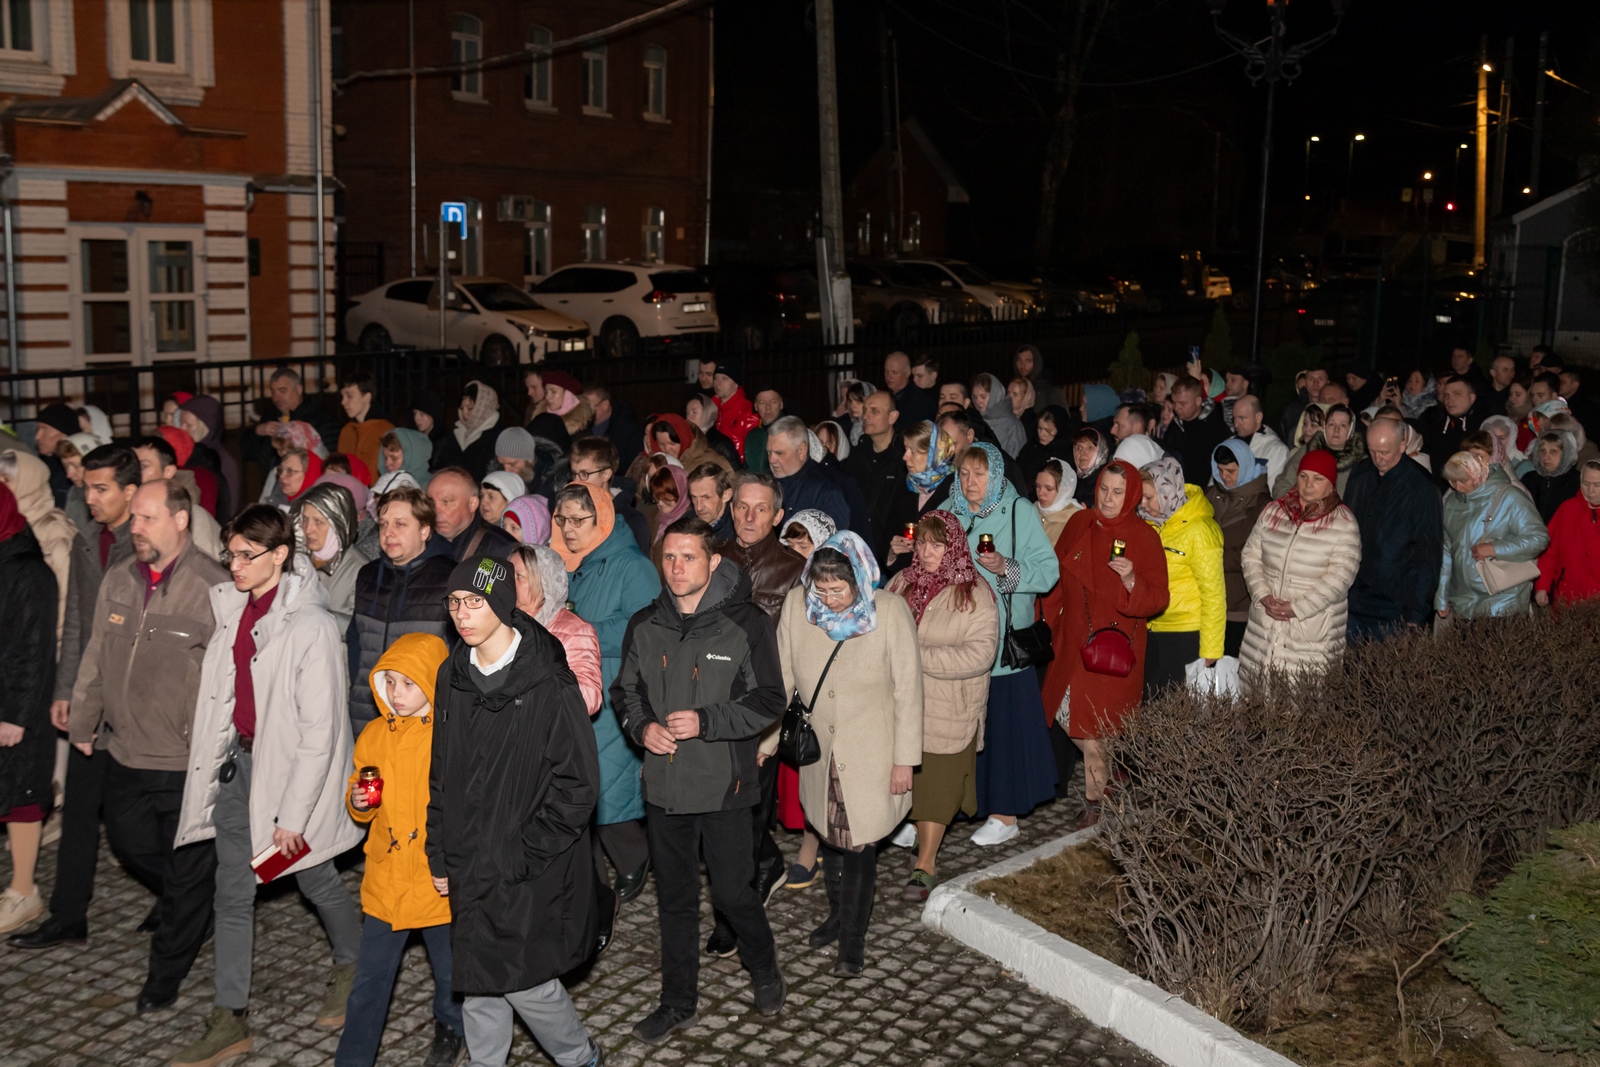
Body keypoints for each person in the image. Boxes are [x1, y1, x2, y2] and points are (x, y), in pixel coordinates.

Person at [170, 507, 364, 1065]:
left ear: (280, 555)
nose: (234, 565)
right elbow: (224, 700)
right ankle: (229, 1016)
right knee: (232, 892)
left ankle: (354, 962)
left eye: (245, 555)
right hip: (240, 771)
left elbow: (320, 732)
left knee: (312, 875)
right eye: (230, 554)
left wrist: (293, 816)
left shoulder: (311, 627)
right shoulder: (233, 610)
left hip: (288, 779)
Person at [427, 555, 606, 1067]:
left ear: (503, 603)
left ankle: (579, 1058)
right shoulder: (452, 675)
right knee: (478, 979)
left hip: (525, 864)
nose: (462, 614)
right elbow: (441, 770)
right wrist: (439, 848)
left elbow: (579, 784)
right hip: (468, 855)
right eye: (455, 602)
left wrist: (526, 852)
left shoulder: (548, 681)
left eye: (475, 601)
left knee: (526, 982)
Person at [615, 517, 789, 1037]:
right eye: (669, 557)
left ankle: (764, 967)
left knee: (733, 894)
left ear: (713, 562)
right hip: (665, 787)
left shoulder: (746, 623)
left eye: (688, 557)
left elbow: (770, 700)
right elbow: (627, 692)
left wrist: (708, 721)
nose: (676, 568)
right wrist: (642, 728)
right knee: (675, 899)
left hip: (724, 786)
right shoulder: (645, 623)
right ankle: (677, 1002)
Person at [67, 481, 229, 1010]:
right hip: (126, 749)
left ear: (180, 520)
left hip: (186, 759)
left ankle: (164, 977)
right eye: (133, 517)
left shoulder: (214, 587)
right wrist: (84, 722)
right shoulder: (119, 578)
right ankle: (195, 901)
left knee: (187, 866)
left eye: (146, 518)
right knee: (131, 845)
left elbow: (231, 678)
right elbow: (96, 654)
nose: (134, 528)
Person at [9, 446, 140, 951]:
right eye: (87, 488)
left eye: (101, 488)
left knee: (135, 825)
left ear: (130, 491)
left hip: (136, 707)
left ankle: (186, 896)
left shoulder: (144, 543)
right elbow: (78, 624)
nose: (90, 497)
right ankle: (68, 916)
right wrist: (66, 691)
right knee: (81, 810)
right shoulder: (88, 540)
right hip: (91, 700)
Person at [772, 531, 921, 972]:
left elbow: (909, 691)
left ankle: (852, 943)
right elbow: (782, 679)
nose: (831, 600)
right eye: (822, 590)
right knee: (831, 839)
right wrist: (765, 741)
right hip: (821, 753)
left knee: (859, 845)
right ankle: (837, 917)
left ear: (860, 578)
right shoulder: (797, 607)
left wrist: (905, 761)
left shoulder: (889, 612)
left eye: (839, 590)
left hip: (873, 753)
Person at [333, 633, 462, 1067]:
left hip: (436, 880)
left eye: (408, 683)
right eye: (389, 682)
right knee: (369, 981)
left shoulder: (451, 737)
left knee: (451, 973)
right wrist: (359, 801)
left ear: (431, 683)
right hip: (386, 881)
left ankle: (452, 1027)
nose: (397, 694)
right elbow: (363, 792)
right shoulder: (373, 735)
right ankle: (353, 1058)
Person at [1040, 460, 1170, 830]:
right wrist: (1044, 621)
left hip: (1112, 650)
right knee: (1066, 717)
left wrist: (1131, 581)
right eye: (1103, 489)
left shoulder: (1144, 537)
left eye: (1117, 492)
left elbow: (1159, 597)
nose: (1108, 498)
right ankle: (1114, 769)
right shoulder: (1080, 523)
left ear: (1131, 497)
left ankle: (1096, 805)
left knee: (1095, 730)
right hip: (1071, 642)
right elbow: (1057, 575)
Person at [551, 482, 660, 904]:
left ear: (602, 519)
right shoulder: (562, 562)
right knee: (577, 785)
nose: (569, 528)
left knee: (607, 786)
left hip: (615, 686)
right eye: (562, 519)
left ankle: (634, 857)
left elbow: (646, 626)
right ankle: (590, 884)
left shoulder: (632, 566)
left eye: (579, 520)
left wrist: (580, 632)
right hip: (573, 684)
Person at [948, 442, 1060, 846]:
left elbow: (1048, 571)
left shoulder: (1018, 511)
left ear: (996, 476)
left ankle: (1005, 814)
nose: (970, 482)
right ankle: (951, 805)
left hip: (1001, 644)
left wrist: (1005, 568)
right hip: (957, 640)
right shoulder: (950, 511)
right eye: (964, 474)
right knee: (956, 727)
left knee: (1003, 729)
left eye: (979, 475)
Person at [885, 512, 997, 899]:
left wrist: (916, 656)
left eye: (937, 545)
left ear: (953, 547)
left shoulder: (974, 593)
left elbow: (980, 655)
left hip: (948, 706)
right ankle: (920, 837)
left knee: (936, 786)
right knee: (910, 782)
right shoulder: (902, 583)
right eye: (922, 544)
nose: (927, 552)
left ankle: (926, 864)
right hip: (901, 704)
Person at [1238, 451, 1362, 687]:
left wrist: (1297, 608)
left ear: (1331, 484)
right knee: (1255, 697)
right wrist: (1262, 594)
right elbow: (1251, 554)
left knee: (1301, 701)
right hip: (1264, 627)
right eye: (1303, 476)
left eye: (1318, 478)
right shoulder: (1273, 512)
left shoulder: (1343, 523)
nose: (1308, 484)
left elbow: (1340, 577)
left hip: (1311, 633)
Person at [0, 483, 59, 935]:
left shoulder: (27, 571)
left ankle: (24, 891)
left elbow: (34, 649)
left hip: (16, 704)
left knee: (20, 795)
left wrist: (16, 715)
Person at [347, 487, 456, 729]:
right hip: (368, 714)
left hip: (424, 720)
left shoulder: (450, 579)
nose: (388, 533)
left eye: (400, 524)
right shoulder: (367, 575)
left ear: (424, 530)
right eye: (384, 524)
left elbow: (458, 656)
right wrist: (359, 690)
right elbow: (356, 641)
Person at [1342, 420, 1444, 641]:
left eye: (1384, 452)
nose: (1378, 459)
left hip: (1394, 611)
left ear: (1403, 445)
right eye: (1372, 451)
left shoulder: (1422, 487)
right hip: (1353, 602)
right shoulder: (1361, 473)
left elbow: (1427, 555)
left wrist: (1415, 615)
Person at [1138, 455, 1225, 695]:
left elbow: (1214, 595)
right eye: (1140, 497)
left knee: (1179, 707)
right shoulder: (1148, 526)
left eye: (1149, 497)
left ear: (1166, 492)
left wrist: (1211, 649)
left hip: (1186, 635)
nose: (1143, 504)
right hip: (1151, 631)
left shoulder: (1200, 529)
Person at [1437, 451, 1549, 620]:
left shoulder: (1510, 496)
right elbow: (1446, 550)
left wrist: (1494, 549)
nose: (1458, 487)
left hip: (1504, 602)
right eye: (1452, 481)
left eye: (1463, 481)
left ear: (1477, 475)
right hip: (1464, 604)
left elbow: (1539, 538)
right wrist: (1442, 595)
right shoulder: (1452, 502)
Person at [1205, 441, 1271, 657]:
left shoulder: (1261, 504)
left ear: (1245, 466)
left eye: (1231, 471)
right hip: (1209, 600)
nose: (1224, 477)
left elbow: (1254, 552)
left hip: (1240, 603)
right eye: (1220, 470)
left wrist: (1211, 557)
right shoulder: (1210, 496)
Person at [291, 482, 376, 632]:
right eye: (305, 519)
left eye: (319, 522)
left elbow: (362, 627)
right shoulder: (295, 561)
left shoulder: (362, 570)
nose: (308, 529)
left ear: (338, 525)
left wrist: (314, 615)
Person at [843, 390, 911, 567]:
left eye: (875, 411)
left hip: (888, 554)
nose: (866, 416)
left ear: (892, 417)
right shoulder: (858, 454)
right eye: (865, 410)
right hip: (856, 550)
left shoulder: (904, 458)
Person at [766, 416, 855, 535]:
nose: (771, 459)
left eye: (779, 453)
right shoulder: (764, 484)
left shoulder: (827, 493)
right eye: (769, 452)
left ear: (801, 450)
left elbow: (834, 542)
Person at [245, 368, 339, 476]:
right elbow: (247, 453)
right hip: (275, 481)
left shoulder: (318, 418)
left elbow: (330, 455)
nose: (276, 397)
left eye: (282, 391)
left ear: (298, 390)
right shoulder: (270, 417)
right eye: (273, 392)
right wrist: (258, 431)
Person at [1535, 460, 1600, 610]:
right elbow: (1549, 552)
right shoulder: (1567, 509)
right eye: (1585, 484)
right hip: (1568, 597)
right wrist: (1542, 586)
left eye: (1597, 485)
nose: (1590, 490)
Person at [570, 435, 651, 554]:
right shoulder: (570, 511)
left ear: (605, 474)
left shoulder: (631, 520)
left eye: (584, 474)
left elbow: (638, 563)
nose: (576, 481)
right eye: (574, 473)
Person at [426, 468, 519, 563]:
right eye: (431, 503)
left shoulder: (501, 549)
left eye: (446, 502)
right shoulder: (423, 541)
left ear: (472, 504)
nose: (436, 511)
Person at [1273, 403, 1366, 497]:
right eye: (1331, 424)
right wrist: (1296, 503)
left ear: (1351, 430)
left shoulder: (1362, 462)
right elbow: (1282, 483)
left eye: (1343, 425)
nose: (1336, 430)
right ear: (1324, 427)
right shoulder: (1307, 451)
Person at [178, 395, 237, 521]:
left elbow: (229, 509)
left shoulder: (223, 461)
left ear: (205, 427)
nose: (182, 429)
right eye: (181, 423)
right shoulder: (188, 454)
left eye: (188, 425)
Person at [1162, 376, 1230, 487]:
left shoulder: (1216, 425)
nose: (1176, 408)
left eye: (1182, 403)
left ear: (1198, 401)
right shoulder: (1176, 425)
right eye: (1174, 402)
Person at [431, 381, 503, 481]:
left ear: (483, 408)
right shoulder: (456, 434)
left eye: (470, 408)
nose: (464, 413)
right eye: (462, 407)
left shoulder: (497, 438)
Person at [1419, 375, 1483, 486]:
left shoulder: (1482, 426)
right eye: (1446, 395)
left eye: (1457, 394)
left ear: (1472, 398)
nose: (1450, 400)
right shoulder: (1432, 421)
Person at [1521, 431, 1580, 524]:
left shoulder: (1577, 482)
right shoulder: (1529, 479)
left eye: (1553, 452)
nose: (1546, 457)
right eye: (1542, 451)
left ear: (1566, 454)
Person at [583, 383, 642, 474]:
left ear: (605, 405)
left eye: (589, 407)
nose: (584, 411)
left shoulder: (627, 431)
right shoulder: (581, 427)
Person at [32, 402, 79, 506]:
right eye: (38, 429)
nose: (37, 436)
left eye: (45, 429)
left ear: (64, 433)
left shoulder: (80, 470)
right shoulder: (41, 465)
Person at [710, 368, 762, 460]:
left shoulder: (748, 412)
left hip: (736, 466)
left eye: (724, 378)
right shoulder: (711, 409)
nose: (718, 383)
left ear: (736, 383)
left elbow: (753, 454)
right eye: (716, 378)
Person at [1017, 404, 1073, 488]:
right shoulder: (1030, 448)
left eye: (1048, 431)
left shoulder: (1067, 455)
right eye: (1039, 428)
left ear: (1059, 430)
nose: (1042, 434)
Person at [971, 372, 1025, 457]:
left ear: (995, 395)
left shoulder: (1013, 425)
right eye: (975, 397)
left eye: (983, 397)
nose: (978, 401)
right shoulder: (974, 419)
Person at [685, 393, 742, 469]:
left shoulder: (720, 444)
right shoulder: (686, 440)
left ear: (707, 414)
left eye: (694, 412)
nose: (688, 417)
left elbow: (735, 472)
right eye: (687, 412)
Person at [372, 427, 433, 497]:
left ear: (413, 457)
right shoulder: (383, 485)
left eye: (394, 458)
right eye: (385, 458)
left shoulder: (430, 490)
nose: (387, 463)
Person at [1033, 458, 1081, 545]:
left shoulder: (1075, 520)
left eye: (1049, 489)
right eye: (1038, 486)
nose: (1040, 493)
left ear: (1064, 490)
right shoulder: (1031, 510)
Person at [884, 351, 937, 426]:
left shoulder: (921, 402)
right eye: (886, 372)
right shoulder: (883, 396)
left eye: (894, 372)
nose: (889, 377)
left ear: (907, 373)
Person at [686, 462, 734, 542]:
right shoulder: (685, 526)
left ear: (726, 495)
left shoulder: (739, 529)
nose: (699, 507)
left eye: (706, 497)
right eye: (694, 497)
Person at [1014, 344, 1068, 412]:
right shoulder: (1013, 391)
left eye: (1028, 361)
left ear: (1036, 363)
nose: (1022, 365)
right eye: (1019, 360)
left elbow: (1062, 418)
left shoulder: (1052, 393)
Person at [743, 389, 784, 476]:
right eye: (762, 403)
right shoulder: (752, 436)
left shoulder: (792, 432)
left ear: (781, 404)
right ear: (756, 406)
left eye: (773, 402)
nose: (768, 407)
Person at [1068, 427, 1110, 508]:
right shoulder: (1070, 480)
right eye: (1078, 448)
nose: (1082, 453)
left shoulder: (1106, 481)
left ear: (1100, 450)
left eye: (1090, 447)